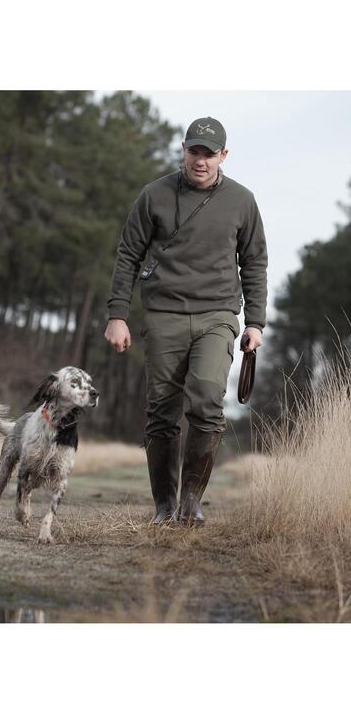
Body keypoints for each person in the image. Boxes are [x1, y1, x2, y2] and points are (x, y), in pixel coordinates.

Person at [104, 116, 268, 526]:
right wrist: (117, 315)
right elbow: (128, 255)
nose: (201, 160)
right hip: (164, 315)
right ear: (184, 149)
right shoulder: (153, 195)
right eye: (194, 151)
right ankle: (164, 506)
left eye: (209, 154)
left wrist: (256, 323)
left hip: (217, 315)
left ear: (223, 156)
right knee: (161, 411)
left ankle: (191, 503)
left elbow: (254, 263)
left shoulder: (242, 201)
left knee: (208, 402)